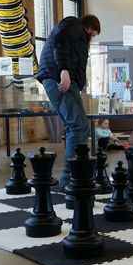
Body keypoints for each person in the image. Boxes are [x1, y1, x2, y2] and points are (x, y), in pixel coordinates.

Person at [36, 14, 101, 188]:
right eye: (93, 34)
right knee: (77, 125)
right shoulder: (73, 24)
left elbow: (78, 62)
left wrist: (79, 83)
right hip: (57, 77)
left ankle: (76, 173)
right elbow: (60, 41)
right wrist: (64, 70)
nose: (92, 39)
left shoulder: (79, 37)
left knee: (83, 125)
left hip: (67, 81)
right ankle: (69, 177)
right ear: (89, 28)